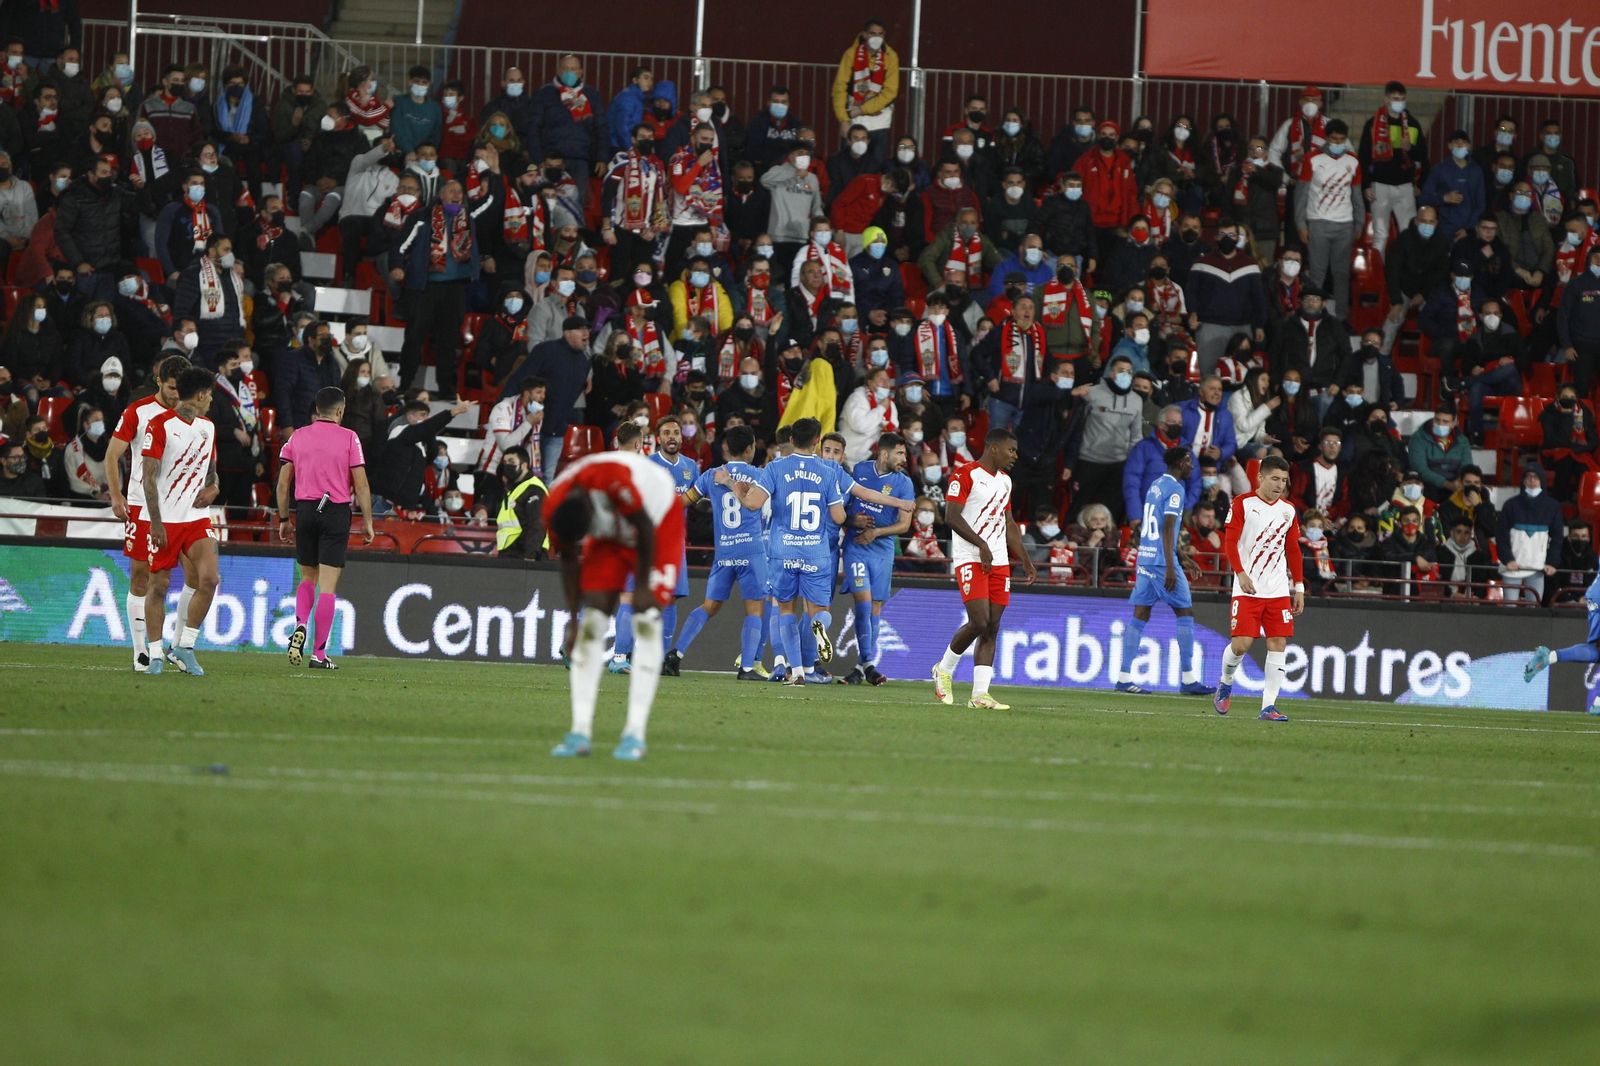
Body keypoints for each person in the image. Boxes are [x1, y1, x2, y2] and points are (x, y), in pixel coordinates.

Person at [545, 450, 681, 760]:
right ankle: (579, 732)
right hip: (611, 532)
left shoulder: (610, 478)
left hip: (657, 516)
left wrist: (644, 585)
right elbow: (567, 559)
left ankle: (634, 735)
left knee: (646, 616)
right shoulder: (554, 506)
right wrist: (572, 620)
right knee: (592, 621)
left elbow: (644, 526)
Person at [101, 355, 199, 672]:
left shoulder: (193, 415)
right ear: (159, 381)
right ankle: (142, 651)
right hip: (143, 507)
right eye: (171, 388)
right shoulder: (138, 411)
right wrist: (116, 494)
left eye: (180, 388)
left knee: (196, 576)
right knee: (142, 576)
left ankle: (180, 646)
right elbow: (112, 454)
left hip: (182, 510)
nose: (176, 394)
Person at [930, 428, 1036, 708]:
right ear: (993, 449)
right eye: (1011, 450)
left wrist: (1023, 557)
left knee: (992, 627)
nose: (1015, 455)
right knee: (979, 621)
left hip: (999, 560)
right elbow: (951, 517)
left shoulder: (1005, 481)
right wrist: (981, 545)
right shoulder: (965, 474)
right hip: (970, 557)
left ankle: (980, 695)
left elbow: (1009, 523)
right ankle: (944, 669)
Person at [138, 367, 222, 677]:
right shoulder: (159, 425)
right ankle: (157, 653)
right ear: (200, 395)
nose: (211, 400)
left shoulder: (208, 428)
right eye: (210, 394)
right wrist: (156, 523)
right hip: (164, 519)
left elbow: (212, 472)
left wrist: (214, 487)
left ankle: (185, 647)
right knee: (158, 586)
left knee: (210, 580)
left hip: (196, 518)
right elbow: (149, 478)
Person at [1113, 443, 1215, 696]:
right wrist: (1172, 564)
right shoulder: (1176, 488)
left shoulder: (1156, 485)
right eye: (1190, 461)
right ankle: (1189, 679)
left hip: (1146, 557)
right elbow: (1168, 527)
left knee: (1141, 613)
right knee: (1185, 611)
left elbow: (1158, 527)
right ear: (1181, 464)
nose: (1193, 466)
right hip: (1161, 562)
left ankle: (1124, 677)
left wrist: (1181, 555)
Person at [672, 425, 771, 678]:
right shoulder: (761, 475)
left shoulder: (710, 475)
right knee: (756, 610)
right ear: (750, 448)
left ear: (727, 447)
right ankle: (747, 667)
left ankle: (675, 655)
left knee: (709, 605)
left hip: (724, 552)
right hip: (751, 551)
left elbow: (683, 502)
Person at [1214, 455, 1304, 721]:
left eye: (1284, 480)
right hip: (1248, 588)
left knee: (1278, 643)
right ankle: (1226, 680)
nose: (1280, 485)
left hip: (1277, 590)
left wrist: (1298, 587)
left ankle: (1268, 706)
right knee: (1241, 645)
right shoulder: (1242, 504)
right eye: (1275, 478)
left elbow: (1293, 550)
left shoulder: (1288, 510)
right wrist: (1240, 573)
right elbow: (1230, 543)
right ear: (1260, 478)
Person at [394, 178, 492, 398]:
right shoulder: (422, 216)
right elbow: (401, 245)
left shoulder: (467, 219)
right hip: (424, 288)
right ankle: (405, 384)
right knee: (414, 338)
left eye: (460, 191)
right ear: (441, 195)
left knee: (448, 342)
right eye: (452, 190)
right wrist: (396, 267)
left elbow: (490, 204)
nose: (457, 194)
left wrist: (491, 179)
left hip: (455, 288)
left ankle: (445, 388)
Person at [838, 430, 914, 685]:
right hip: (856, 546)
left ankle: (862, 667)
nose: (904, 458)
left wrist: (877, 532)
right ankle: (869, 663)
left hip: (882, 551)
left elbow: (904, 525)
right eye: (900, 453)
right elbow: (843, 509)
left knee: (875, 607)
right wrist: (852, 520)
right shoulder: (860, 470)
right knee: (863, 602)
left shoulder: (904, 483)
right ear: (884, 452)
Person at [1295, 119, 1364, 320]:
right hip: (1318, 222)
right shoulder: (1311, 159)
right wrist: (1301, 224)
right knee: (1317, 274)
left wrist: (1359, 223)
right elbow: (1301, 195)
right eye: (1334, 139)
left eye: (1342, 139)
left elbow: (1357, 195)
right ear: (1327, 138)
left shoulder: (1353, 161)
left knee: (1342, 275)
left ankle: (1342, 319)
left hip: (1345, 224)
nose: (1338, 142)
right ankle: (1312, 316)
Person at [1184, 216, 1266, 376]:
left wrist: (1259, 325)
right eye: (1222, 235)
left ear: (1238, 238)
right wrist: (1193, 312)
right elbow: (1191, 292)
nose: (1226, 239)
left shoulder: (1250, 265)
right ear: (1215, 237)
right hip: (1209, 326)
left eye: (1231, 235)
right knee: (1210, 376)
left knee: (1242, 375)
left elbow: (1259, 298)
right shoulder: (1201, 263)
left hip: (1242, 327)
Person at [1358, 81, 1428, 257]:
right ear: (1386, 99)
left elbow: (1423, 156)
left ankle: (1406, 277)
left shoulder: (1412, 123)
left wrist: (1410, 148)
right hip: (1379, 185)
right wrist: (1366, 185)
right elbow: (1364, 157)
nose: (1399, 102)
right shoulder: (1373, 124)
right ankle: (1377, 276)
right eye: (1395, 98)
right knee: (1381, 234)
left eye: (1402, 99)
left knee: (1409, 234)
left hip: (1405, 186)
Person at [1072, 354, 1143, 523]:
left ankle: (1108, 547)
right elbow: (1074, 424)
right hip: (1089, 461)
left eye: (1129, 371)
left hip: (1117, 465)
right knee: (1079, 507)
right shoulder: (1092, 393)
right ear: (1111, 373)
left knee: (1112, 512)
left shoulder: (1136, 400)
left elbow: (1136, 435)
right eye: (1121, 370)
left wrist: (1132, 463)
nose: (1125, 374)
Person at [831, 19, 898, 166]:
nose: (876, 37)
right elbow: (839, 88)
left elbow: (890, 92)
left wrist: (862, 110)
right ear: (864, 34)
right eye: (872, 33)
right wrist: (843, 120)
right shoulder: (851, 54)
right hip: (854, 121)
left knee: (876, 167)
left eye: (880, 34)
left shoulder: (891, 56)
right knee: (848, 164)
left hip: (879, 122)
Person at [1497, 463, 1562, 605]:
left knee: (1534, 611)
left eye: (1536, 477)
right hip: (1511, 568)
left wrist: (1552, 562)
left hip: (1536, 569)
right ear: (1523, 481)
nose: (1532, 481)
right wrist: (1508, 559)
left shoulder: (1553, 507)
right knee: (1509, 609)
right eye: (1529, 477)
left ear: (1542, 481)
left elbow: (1557, 538)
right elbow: (1501, 535)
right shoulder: (1510, 505)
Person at [1419, 130, 1486, 242]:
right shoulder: (1439, 169)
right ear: (1449, 146)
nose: (1460, 145)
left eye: (1463, 142)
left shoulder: (1476, 171)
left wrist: (1468, 228)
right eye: (1456, 142)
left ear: (1468, 146)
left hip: (1469, 230)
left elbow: (1481, 204)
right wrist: (1443, 198)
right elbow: (1423, 199)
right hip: (1445, 229)